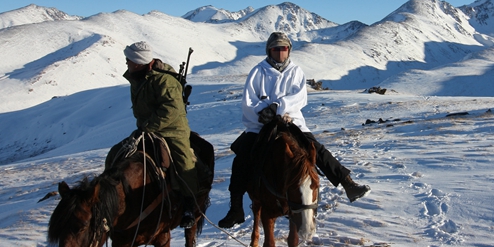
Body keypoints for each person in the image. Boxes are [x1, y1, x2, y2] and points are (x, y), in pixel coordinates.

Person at [218, 32, 371, 228]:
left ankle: (348, 183)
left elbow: (299, 98)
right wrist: (262, 112)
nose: (280, 52)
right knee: (242, 157)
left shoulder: (296, 71)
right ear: (269, 50)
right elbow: (249, 100)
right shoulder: (258, 72)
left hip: (291, 121)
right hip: (261, 124)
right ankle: (236, 208)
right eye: (276, 48)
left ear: (289, 50)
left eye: (284, 48)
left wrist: (278, 106)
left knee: (316, 148)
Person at [121, 41, 199, 229]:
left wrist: (148, 127)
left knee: (184, 163)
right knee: (119, 155)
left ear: (139, 62)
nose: (126, 63)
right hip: (146, 128)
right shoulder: (137, 77)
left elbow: (171, 110)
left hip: (172, 129)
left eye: (129, 60)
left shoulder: (165, 82)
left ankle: (190, 204)